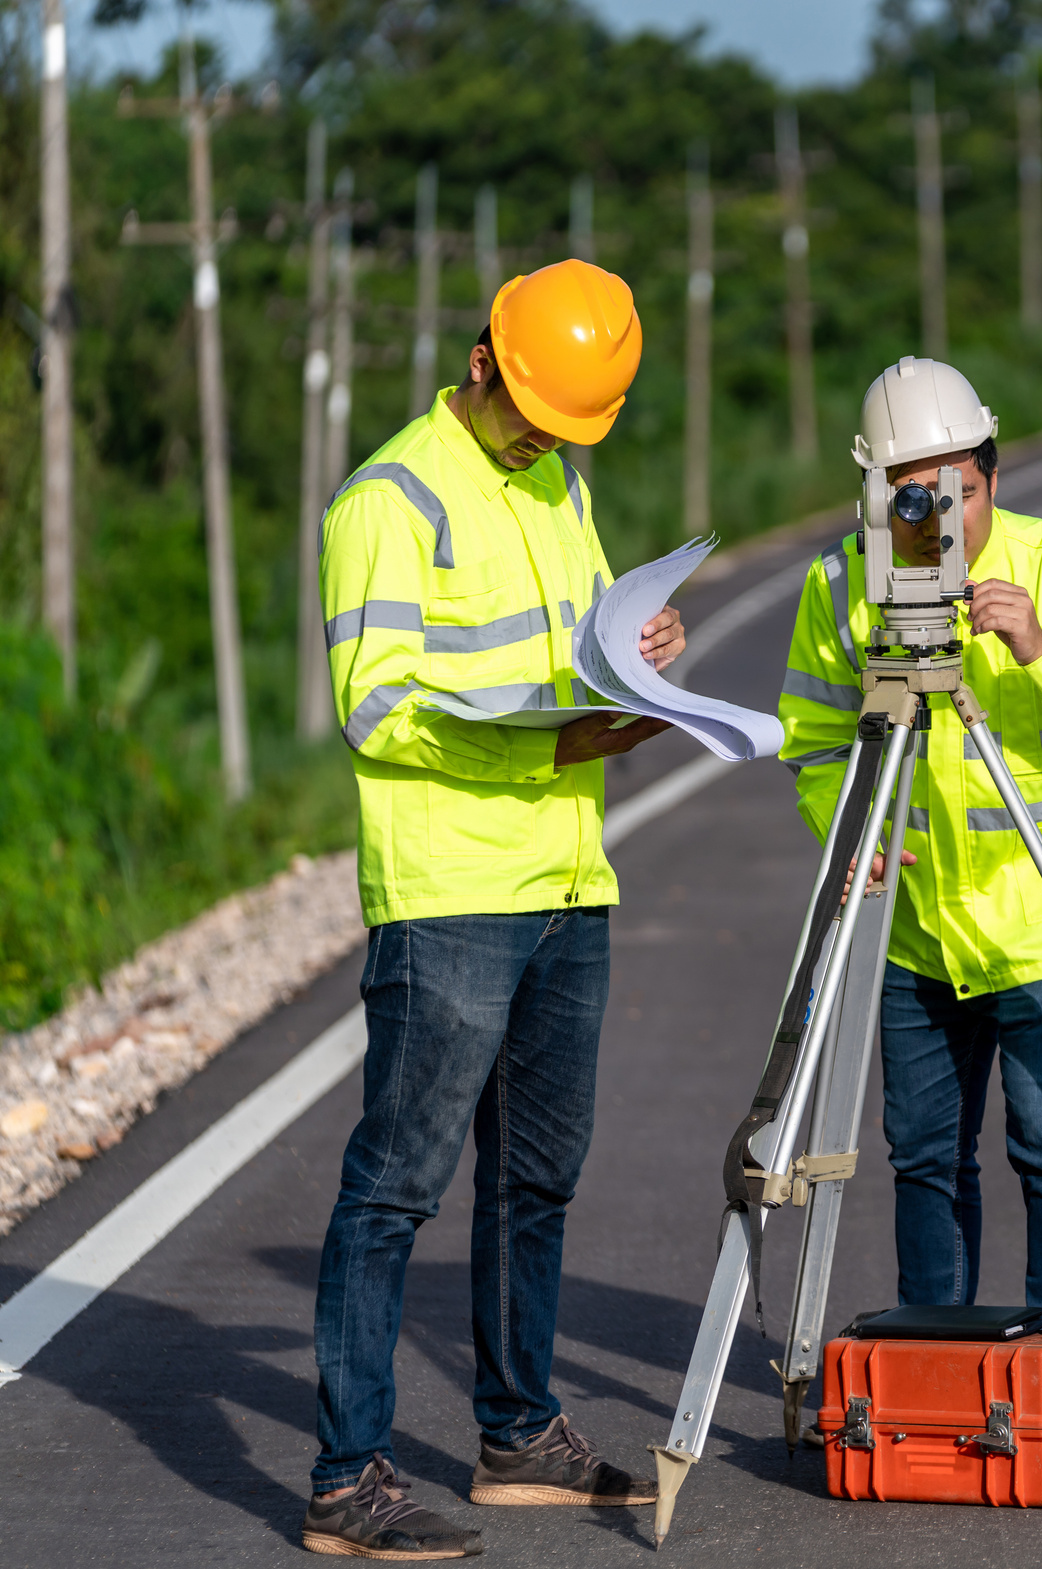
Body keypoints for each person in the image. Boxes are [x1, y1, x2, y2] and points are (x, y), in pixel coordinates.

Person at [305, 259, 682, 1560]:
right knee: (395, 1187)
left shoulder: (558, 483)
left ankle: (518, 1431)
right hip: (454, 890)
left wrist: (635, 669)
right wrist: (546, 744)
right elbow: (376, 707)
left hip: (569, 875)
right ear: (483, 361)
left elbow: (568, 649)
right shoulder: (388, 499)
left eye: (569, 427)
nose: (547, 440)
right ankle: (347, 1480)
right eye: (537, 415)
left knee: (538, 1179)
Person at [775, 356, 1042, 1332]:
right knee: (923, 1158)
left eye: (959, 489)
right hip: (914, 930)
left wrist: (1040, 655)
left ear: (996, 477)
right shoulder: (842, 586)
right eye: (912, 495)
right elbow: (815, 743)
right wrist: (849, 835)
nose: (940, 514)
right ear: (875, 494)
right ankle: (935, 1364)